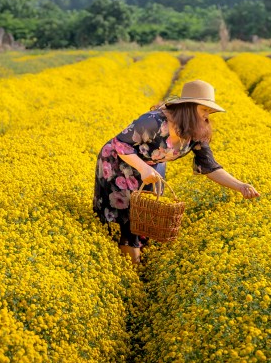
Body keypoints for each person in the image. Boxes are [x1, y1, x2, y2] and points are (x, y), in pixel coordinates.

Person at [93, 79, 260, 264]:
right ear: (188, 107)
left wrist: (240, 186)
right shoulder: (154, 122)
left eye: (210, 112)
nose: (207, 116)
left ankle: (136, 263)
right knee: (127, 215)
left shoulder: (197, 131)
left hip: (152, 167)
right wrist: (143, 168)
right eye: (204, 109)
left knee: (148, 216)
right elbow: (120, 144)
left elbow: (209, 166)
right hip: (120, 163)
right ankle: (130, 264)